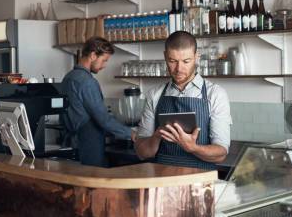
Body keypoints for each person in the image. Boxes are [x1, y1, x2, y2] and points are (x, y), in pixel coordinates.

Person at [135, 31, 231, 170]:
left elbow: (221, 154)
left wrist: (193, 148)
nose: (179, 69)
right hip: (162, 180)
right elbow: (141, 153)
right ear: (165, 57)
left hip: (200, 182)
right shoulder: (155, 95)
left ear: (196, 57)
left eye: (186, 61)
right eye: (172, 61)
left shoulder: (215, 94)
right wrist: (155, 137)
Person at [62, 37, 130, 167]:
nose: (104, 65)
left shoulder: (68, 78)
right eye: (104, 60)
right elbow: (103, 119)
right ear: (93, 55)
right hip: (89, 146)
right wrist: (131, 134)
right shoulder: (87, 82)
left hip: (72, 145)